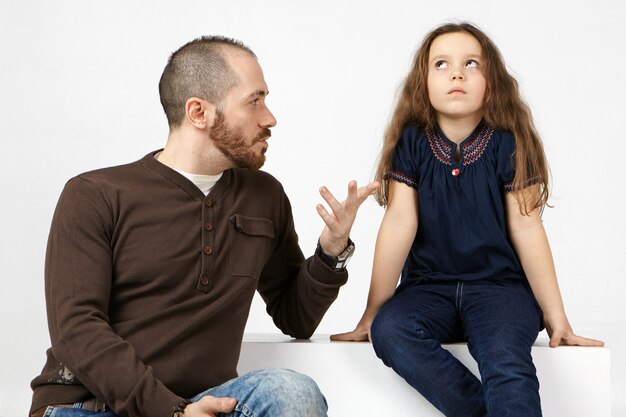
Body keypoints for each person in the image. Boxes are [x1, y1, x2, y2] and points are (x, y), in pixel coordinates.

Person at [30, 36, 378, 417]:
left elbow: (295, 317)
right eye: (254, 101)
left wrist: (330, 252)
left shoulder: (264, 196)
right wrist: (171, 412)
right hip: (88, 407)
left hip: (205, 405)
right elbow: (77, 330)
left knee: (292, 393)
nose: (270, 118)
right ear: (198, 112)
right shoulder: (94, 194)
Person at [331, 22, 603, 417]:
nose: (456, 73)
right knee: (390, 331)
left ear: (492, 81)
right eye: (441, 64)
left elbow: (527, 227)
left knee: (506, 360)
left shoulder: (507, 142)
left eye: (471, 63)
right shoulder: (412, 142)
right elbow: (398, 225)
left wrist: (557, 317)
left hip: (501, 291)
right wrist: (372, 312)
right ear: (422, 82)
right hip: (428, 291)